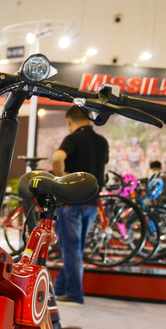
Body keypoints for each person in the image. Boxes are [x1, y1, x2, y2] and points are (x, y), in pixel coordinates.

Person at [51, 106, 109, 306]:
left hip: (71, 203)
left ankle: (75, 294)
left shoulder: (73, 139)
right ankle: (59, 288)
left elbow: (57, 158)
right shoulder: (102, 142)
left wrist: (62, 177)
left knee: (71, 250)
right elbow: (104, 166)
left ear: (69, 121)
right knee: (77, 249)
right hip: (92, 203)